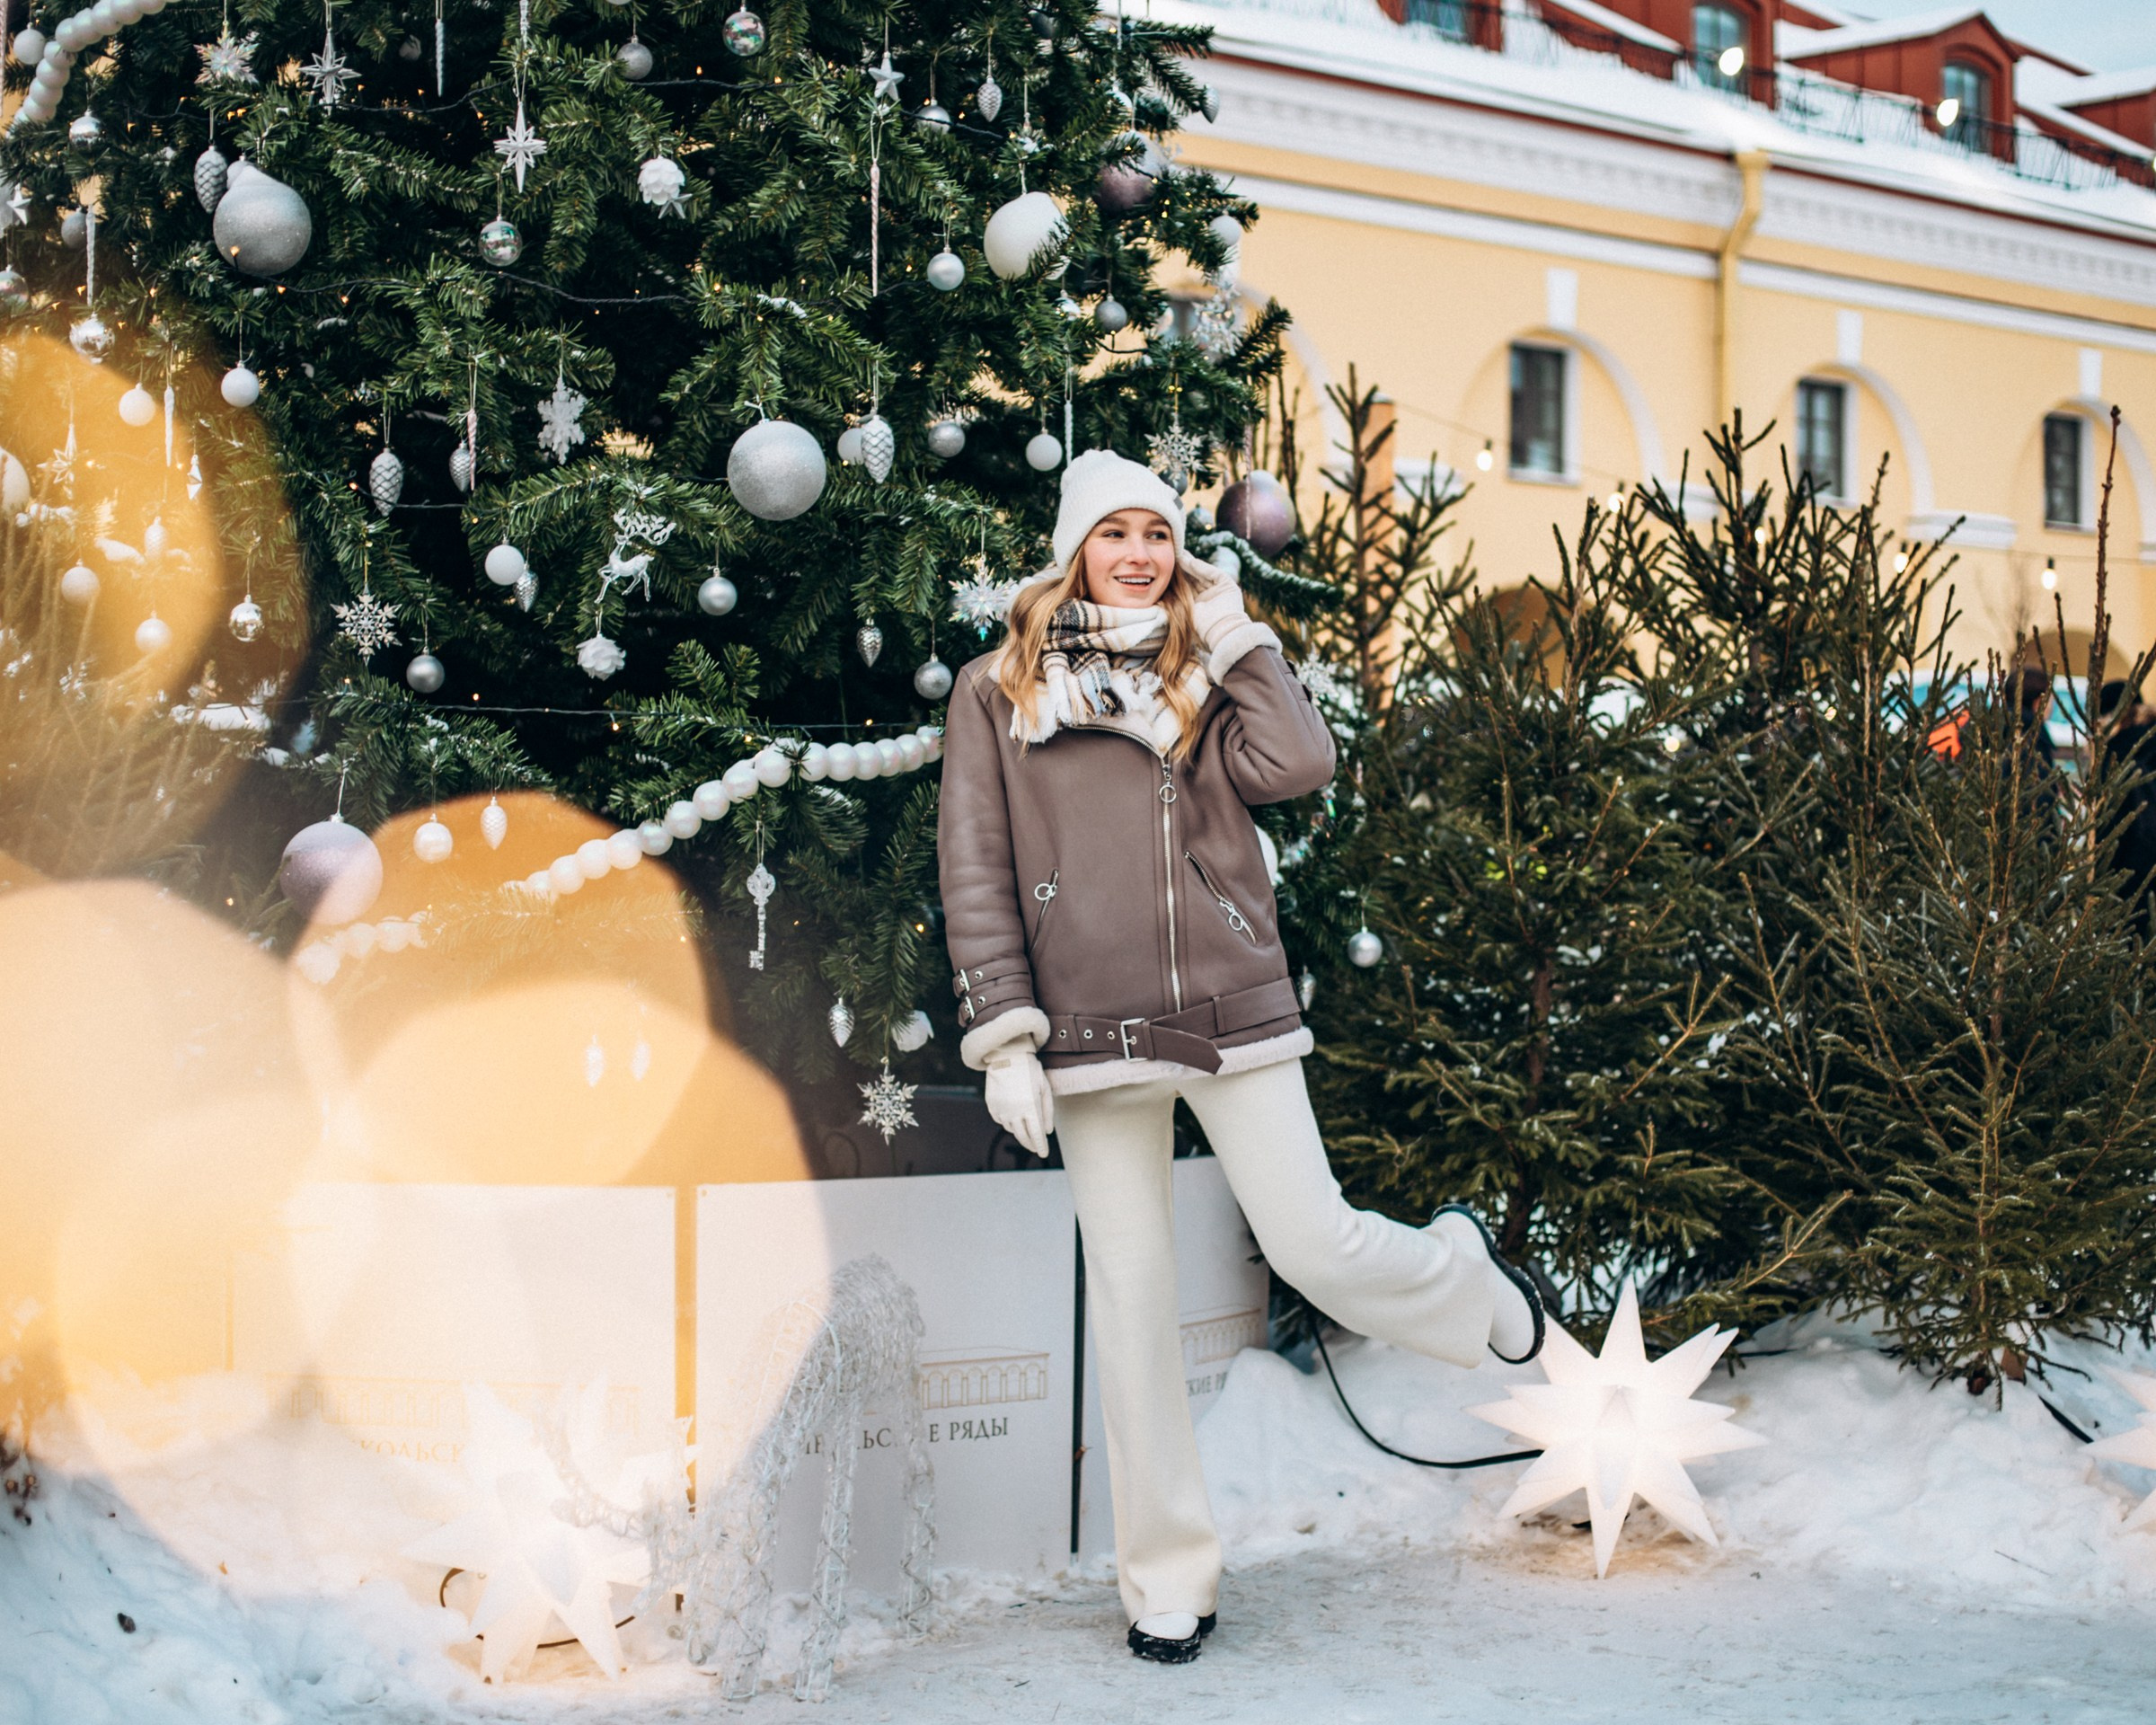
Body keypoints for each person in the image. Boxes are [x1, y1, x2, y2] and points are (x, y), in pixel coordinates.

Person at [936, 450, 1543, 1665]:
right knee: (1136, 1302)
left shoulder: (1202, 668)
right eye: (1115, 535)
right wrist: (1004, 1031)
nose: (1140, 555)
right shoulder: (994, 690)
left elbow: (1298, 766)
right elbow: (976, 865)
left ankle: (1466, 1287)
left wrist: (1237, 636)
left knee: (1313, 1238)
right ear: (1075, 552)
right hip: (1089, 1028)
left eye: (1157, 537)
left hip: (1232, 1004)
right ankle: (1167, 1578)